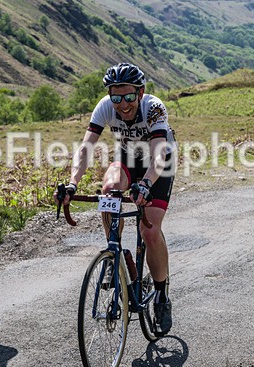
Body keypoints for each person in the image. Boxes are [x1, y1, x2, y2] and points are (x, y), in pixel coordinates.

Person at [59, 62, 176, 334]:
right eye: (116, 97)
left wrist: (146, 183)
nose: (122, 104)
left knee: (150, 230)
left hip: (159, 162)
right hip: (127, 156)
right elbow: (86, 147)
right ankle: (117, 253)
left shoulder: (154, 107)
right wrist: (73, 183)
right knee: (109, 188)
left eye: (128, 97)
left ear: (140, 92)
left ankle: (160, 294)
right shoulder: (105, 107)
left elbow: (159, 153)